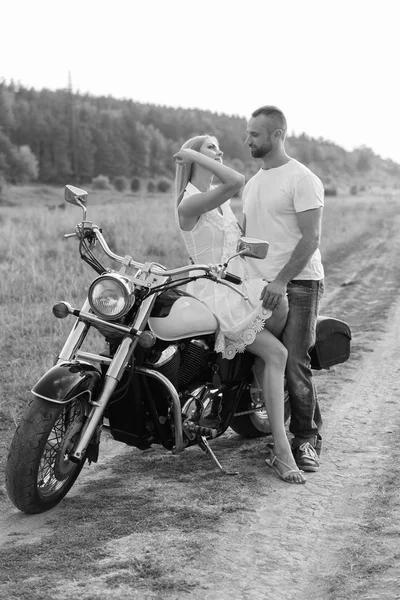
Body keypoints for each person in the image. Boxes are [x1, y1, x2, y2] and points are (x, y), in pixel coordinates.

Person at [174, 134, 306, 484]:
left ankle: (254, 375)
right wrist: (189, 151)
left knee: (279, 302)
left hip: (235, 285)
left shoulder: (221, 205)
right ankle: (281, 450)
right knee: (277, 354)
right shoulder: (188, 202)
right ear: (194, 158)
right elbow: (236, 180)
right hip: (211, 292)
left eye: (218, 147)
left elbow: (236, 241)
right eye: (210, 148)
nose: (219, 151)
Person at [242, 105, 324, 473]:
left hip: (299, 282)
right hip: (258, 286)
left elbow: (311, 237)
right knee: (253, 355)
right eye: (248, 134)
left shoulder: (301, 178)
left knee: (294, 360)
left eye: (255, 134)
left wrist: (282, 280)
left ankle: (306, 439)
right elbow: (247, 239)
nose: (248, 140)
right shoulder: (252, 182)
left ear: (276, 135)